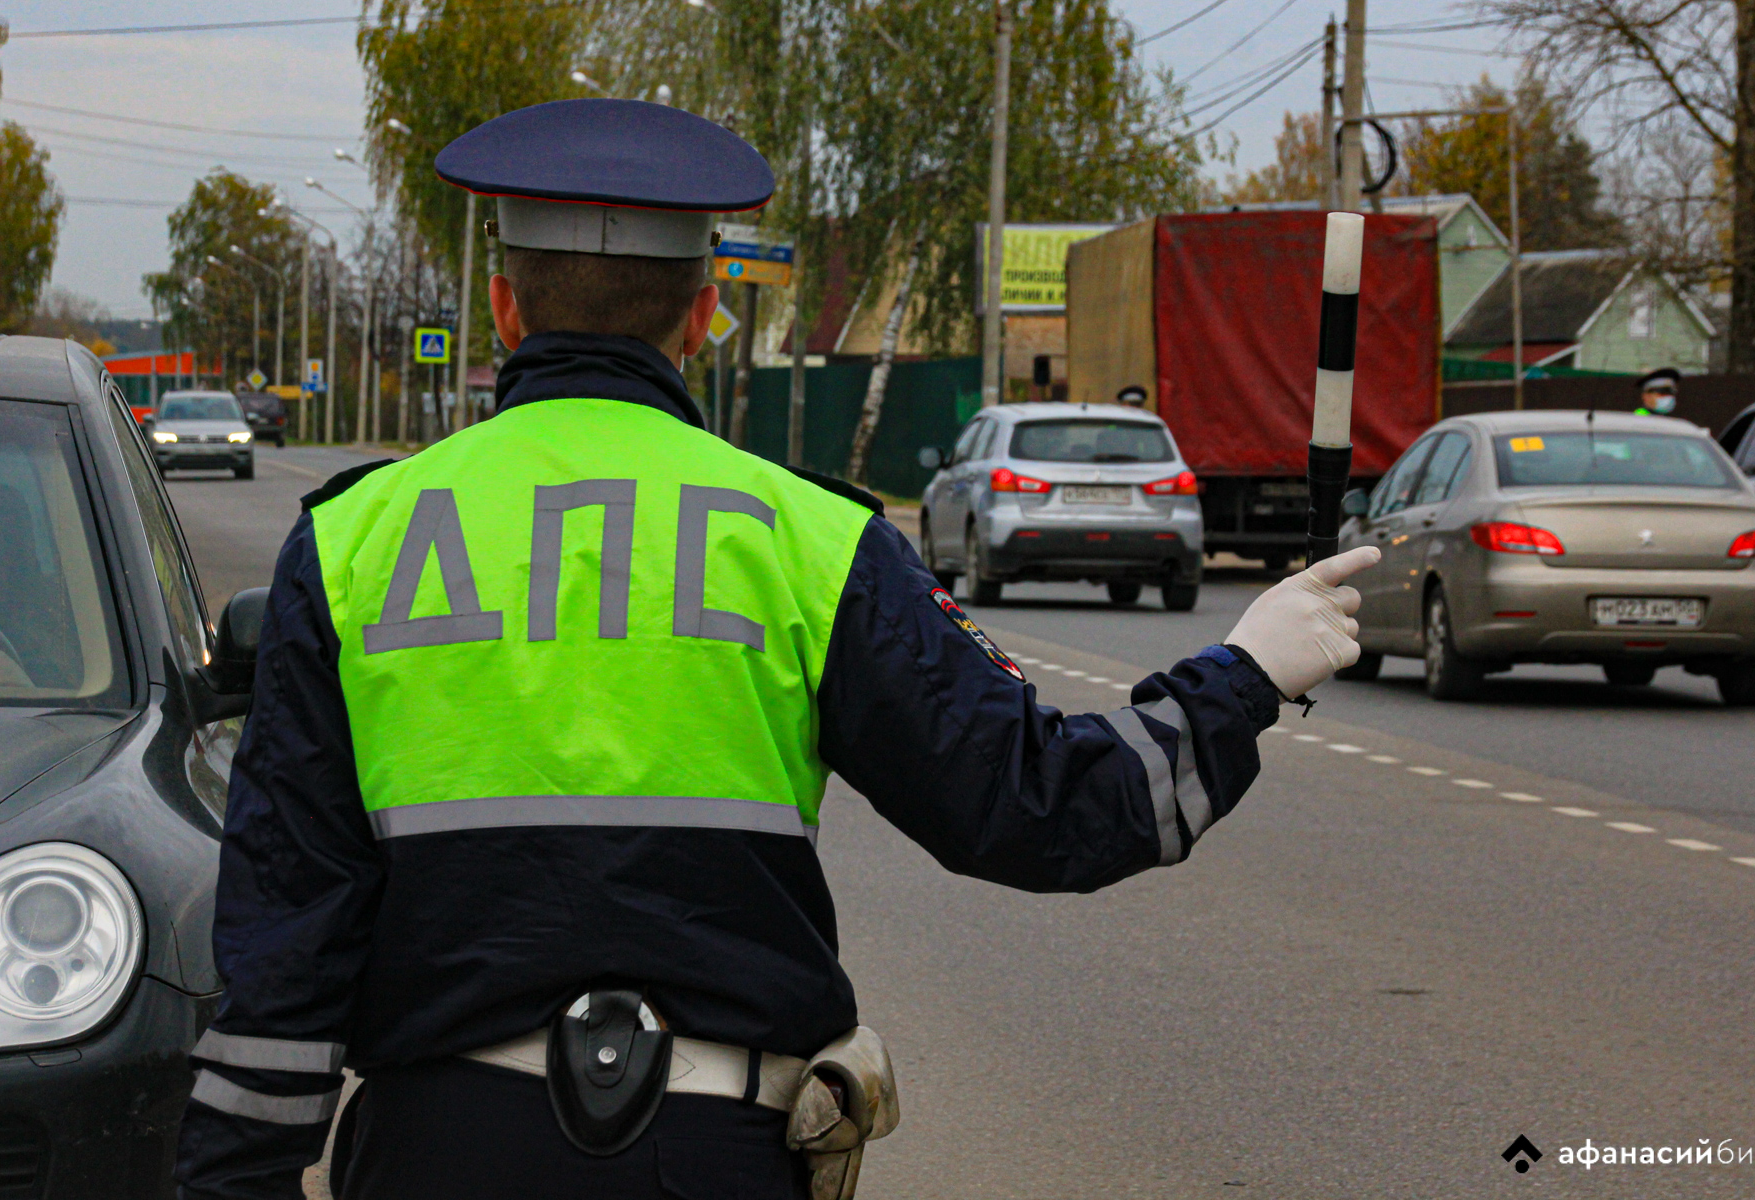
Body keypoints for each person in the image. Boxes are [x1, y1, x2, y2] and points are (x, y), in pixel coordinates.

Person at [173, 98, 1381, 1200]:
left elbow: (284, 940)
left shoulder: (352, 544)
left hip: (437, 1158)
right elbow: (1035, 809)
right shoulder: (812, 538)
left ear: (503, 307)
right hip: (714, 1159)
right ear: (703, 316)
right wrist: (1246, 673)